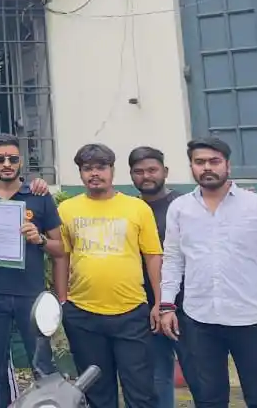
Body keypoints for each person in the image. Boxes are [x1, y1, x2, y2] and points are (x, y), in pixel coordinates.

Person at [159, 135, 257, 408]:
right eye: (199, 162)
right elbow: (174, 260)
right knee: (209, 400)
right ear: (192, 167)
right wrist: (167, 305)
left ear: (228, 165)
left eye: (214, 161)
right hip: (199, 320)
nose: (207, 167)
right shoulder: (180, 208)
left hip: (250, 320)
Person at [55, 143, 161, 408]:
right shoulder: (67, 209)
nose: (94, 173)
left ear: (112, 170)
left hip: (131, 313)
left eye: (101, 167)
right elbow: (62, 256)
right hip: (83, 314)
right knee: (96, 392)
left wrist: (160, 302)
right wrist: (63, 301)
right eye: (87, 168)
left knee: (140, 390)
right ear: (80, 173)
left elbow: (152, 256)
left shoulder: (137, 208)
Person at [0, 133, 63, 408]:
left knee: (41, 366)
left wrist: (39, 239)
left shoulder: (39, 196)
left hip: (30, 294)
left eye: (12, 158)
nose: (7, 164)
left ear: (21, 161)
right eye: (0, 159)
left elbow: (60, 248)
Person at [127, 146, 188, 408]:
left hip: (186, 304)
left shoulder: (184, 205)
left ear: (165, 171)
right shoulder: (129, 209)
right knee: (157, 375)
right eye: (138, 171)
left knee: (199, 372)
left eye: (152, 170)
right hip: (146, 305)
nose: (146, 176)